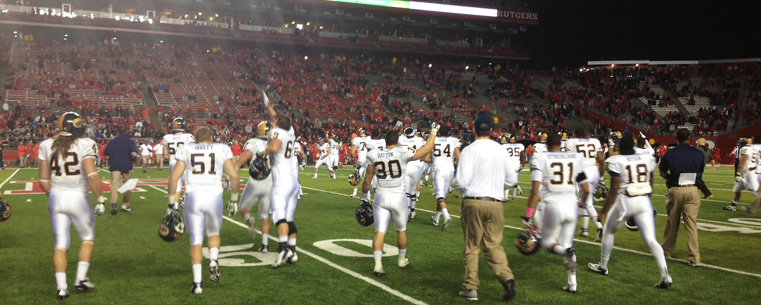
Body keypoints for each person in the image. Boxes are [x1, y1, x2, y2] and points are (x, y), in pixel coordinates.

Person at [38, 112, 107, 300]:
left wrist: (53, 195)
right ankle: (80, 278)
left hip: (56, 197)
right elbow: (92, 176)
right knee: (87, 237)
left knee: (60, 244)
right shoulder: (85, 144)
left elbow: (43, 180)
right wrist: (100, 199)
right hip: (78, 197)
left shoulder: (46, 145)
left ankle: (62, 288)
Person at [588, 134, 672, 288]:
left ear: (619, 146)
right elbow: (651, 181)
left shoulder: (616, 160)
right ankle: (665, 274)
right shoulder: (645, 158)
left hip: (625, 202)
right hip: (644, 201)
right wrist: (647, 199)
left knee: (608, 231)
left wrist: (603, 211)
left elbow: (614, 188)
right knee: (651, 239)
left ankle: (603, 266)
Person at [167, 126, 240, 295]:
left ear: (195, 138)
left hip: (193, 196)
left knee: (196, 241)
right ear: (211, 136)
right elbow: (234, 177)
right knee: (213, 234)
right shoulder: (221, 148)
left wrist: (172, 204)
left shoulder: (186, 149)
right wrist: (234, 199)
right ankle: (213, 258)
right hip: (214, 196)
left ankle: (197, 283)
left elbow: (173, 179)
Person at [453, 115, 517, 301]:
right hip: (495, 202)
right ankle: (506, 276)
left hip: (473, 201)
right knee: (493, 244)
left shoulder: (469, 150)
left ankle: (471, 287)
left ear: (474, 130)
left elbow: (462, 181)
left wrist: (454, 183)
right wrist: (496, 188)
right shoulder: (501, 150)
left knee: (472, 245)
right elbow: (512, 180)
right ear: (491, 130)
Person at [362, 124, 438, 277]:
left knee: (379, 232)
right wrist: (434, 133)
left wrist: (364, 198)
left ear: (385, 141)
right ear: (397, 141)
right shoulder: (402, 151)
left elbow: (367, 180)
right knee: (401, 230)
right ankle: (401, 260)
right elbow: (426, 150)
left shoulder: (374, 153)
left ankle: (378, 265)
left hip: (381, 197)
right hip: (398, 197)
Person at [527, 132, 589, 294]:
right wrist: (582, 203)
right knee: (567, 243)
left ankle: (564, 252)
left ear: (546, 145)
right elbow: (586, 189)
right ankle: (572, 283)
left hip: (552, 205)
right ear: (561, 145)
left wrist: (528, 215)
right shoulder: (574, 157)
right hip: (572, 205)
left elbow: (535, 191)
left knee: (547, 243)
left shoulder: (542, 158)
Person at [659, 129, 704, 267]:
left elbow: (662, 171)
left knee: (672, 223)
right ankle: (695, 258)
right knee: (691, 225)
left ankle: (666, 251)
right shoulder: (698, 153)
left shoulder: (670, 153)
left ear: (677, 138)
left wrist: (670, 177)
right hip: (692, 189)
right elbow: (700, 172)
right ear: (689, 138)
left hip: (676, 189)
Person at [263, 103, 301, 268]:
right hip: (293, 181)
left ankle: (283, 249)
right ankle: (292, 251)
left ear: (278, 124)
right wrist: (268, 106)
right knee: (289, 219)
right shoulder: (290, 133)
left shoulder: (277, 132)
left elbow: (275, 146)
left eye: (273, 121)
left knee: (278, 217)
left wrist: (263, 152)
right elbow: (277, 118)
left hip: (282, 180)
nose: (271, 122)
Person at [233, 121, 273, 252]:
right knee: (264, 215)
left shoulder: (253, 142)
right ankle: (265, 245)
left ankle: (249, 219)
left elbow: (243, 159)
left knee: (243, 208)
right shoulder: (275, 144)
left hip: (255, 182)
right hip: (270, 183)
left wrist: (234, 169)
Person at [564, 128, 604, 238]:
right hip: (594, 171)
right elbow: (601, 161)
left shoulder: (571, 142)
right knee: (585, 201)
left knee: (586, 203)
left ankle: (600, 228)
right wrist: (601, 178)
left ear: (575, 134)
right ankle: (584, 229)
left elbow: (569, 160)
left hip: (582, 173)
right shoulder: (594, 141)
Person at [430, 125, 460, 231]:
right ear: (449, 133)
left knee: (439, 196)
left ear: (438, 132)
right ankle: (436, 217)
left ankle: (446, 216)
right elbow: (458, 156)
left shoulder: (434, 139)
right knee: (443, 196)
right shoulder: (453, 140)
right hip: (450, 170)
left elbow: (427, 154)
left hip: (438, 169)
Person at [104, 126, 138, 214]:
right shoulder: (129, 141)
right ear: (126, 132)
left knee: (115, 184)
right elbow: (134, 153)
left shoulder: (112, 141)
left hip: (114, 165)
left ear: (118, 132)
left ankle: (114, 202)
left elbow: (106, 152)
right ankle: (125, 204)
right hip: (126, 165)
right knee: (127, 184)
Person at [163, 117, 195, 206]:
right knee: (190, 183)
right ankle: (185, 199)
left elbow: (165, 156)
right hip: (184, 163)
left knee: (176, 185)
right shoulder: (188, 136)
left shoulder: (167, 137)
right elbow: (193, 149)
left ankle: (174, 206)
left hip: (173, 162)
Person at [397, 127, 425, 219]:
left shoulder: (401, 139)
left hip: (406, 166)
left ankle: (408, 210)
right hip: (416, 166)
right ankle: (412, 210)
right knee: (413, 190)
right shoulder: (419, 140)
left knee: (407, 191)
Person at [349, 128, 373, 198]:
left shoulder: (357, 139)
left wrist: (353, 161)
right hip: (368, 161)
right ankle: (368, 197)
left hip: (360, 161)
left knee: (357, 178)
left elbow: (352, 152)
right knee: (368, 180)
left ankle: (354, 193)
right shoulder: (369, 138)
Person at [501, 134, 525, 201]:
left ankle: (505, 197)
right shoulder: (520, 145)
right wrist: (523, 165)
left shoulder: (505, 146)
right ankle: (514, 195)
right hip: (517, 165)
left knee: (506, 180)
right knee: (514, 180)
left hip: (509, 164)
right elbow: (523, 155)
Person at [741, 135, 761, 214]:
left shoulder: (752, 148)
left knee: (758, 193)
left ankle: (751, 209)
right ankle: (751, 209)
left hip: (758, 171)